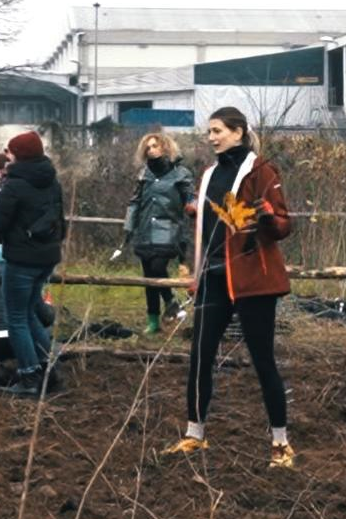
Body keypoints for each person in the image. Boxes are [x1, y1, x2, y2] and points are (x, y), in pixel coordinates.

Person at [163, 107, 297, 468]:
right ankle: (194, 434)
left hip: (253, 280)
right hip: (213, 278)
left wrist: (267, 216)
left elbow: (284, 226)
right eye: (209, 131)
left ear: (238, 132)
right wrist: (195, 264)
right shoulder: (209, 175)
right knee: (200, 357)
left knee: (263, 361)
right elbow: (206, 231)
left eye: (218, 131)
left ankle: (281, 444)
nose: (211, 137)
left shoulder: (261, 171)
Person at [0, 130, 66, 396]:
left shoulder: (14, 186)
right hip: (46, 259)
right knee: (28, 314)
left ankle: (30, 376)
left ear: (21, 155)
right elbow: (60, 221)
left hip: (21, 261)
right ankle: (48, 368)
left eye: (11, 152)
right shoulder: (52, 182)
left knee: (16, 319)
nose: (7, 156)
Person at [123, 132, 195, 334]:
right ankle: (153, 321)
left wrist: (194, 209)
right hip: (145, 229)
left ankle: (171, 301)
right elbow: (135, 202)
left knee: (157, 267)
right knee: (149, 277)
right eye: (148, 147)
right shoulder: (144, 174)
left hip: (168, 229)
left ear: (165, 147)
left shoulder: (180, 174)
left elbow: (191, 198)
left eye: (155, 146)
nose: (151, 150)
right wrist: (129, 226)